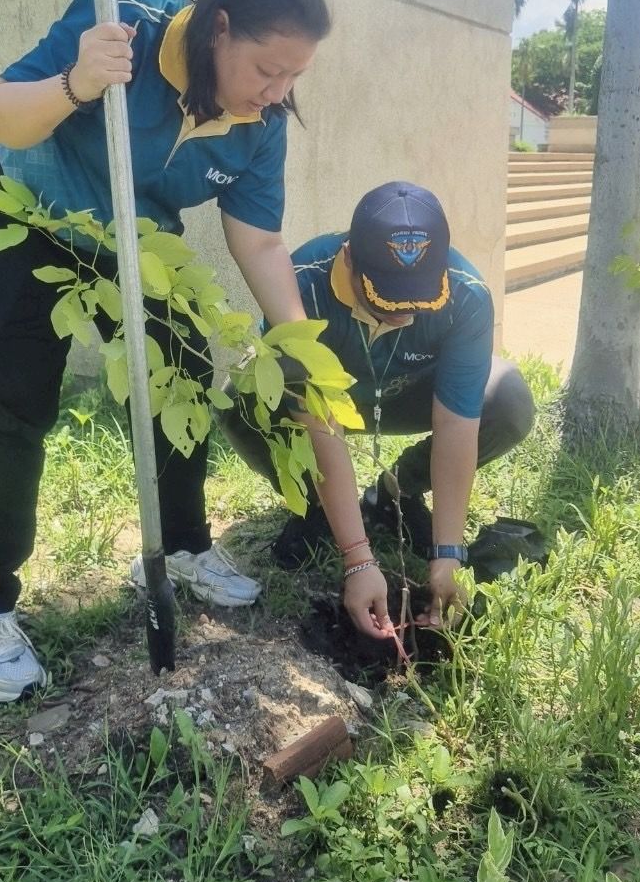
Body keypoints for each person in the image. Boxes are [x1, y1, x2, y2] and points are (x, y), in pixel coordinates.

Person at [0, 0, 332, 703]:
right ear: (219, 29)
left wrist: (298, 344)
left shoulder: (259, 125)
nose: (277, 90)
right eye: (265, 68)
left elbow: (257, 240)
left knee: (181, 377)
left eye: (293, 76)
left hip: (137, 242)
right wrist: (77, 83)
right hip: (29, 213)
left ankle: (183, 545)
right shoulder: (119, 24)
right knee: (12, 409)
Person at [219, 181, 535, 636]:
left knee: (509, 401)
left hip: (412, 396)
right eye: (386, 298)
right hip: (329, 406)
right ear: (349, 258)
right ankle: (316, 506)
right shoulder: (300, 288)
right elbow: (321, 425)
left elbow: (456, 425)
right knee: (239, 397)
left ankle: (396, 491)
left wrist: (449, 555)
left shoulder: (466, 296)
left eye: (418, 300)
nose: (403, 316)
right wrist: (357, 559)